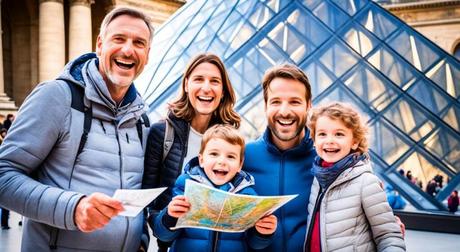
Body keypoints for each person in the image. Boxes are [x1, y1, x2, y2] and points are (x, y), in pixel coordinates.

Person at [0, 7, 153, 251]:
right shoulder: (56, 97)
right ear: (100, 44)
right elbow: (3, 176)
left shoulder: (142, 120)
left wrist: (140, 240)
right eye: (119, 38)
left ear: (148, 54)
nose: (128, 50)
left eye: (139, 43)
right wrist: (73, 208)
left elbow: (137, 197)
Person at [142, 53, 240, 251]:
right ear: (186, 85)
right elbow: (148, 200)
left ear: (222, 91)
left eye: (214, 81)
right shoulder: (162, 133)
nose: (206, 88)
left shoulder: (232, 139)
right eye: (198, 79)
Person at [153, 124, 277, 251]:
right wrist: (170, 216)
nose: (222, 161)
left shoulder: (248, 195)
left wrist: (263, 233)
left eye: (230, 156)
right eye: (214, 154)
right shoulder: (185, 185)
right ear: (201, 160)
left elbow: (256, 244)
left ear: (240, 164)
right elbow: (163, 236)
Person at [305, 102, 405, 251]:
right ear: (314, 140)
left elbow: (388, 236)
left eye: (339, 134)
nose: (329, 140)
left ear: (354, 141)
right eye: (322, 134)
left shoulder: (366, 182)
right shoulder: (318, 180)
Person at [243, 64, 316, 251]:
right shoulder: (242, 157)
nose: (284, 111)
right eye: (276, 101)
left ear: (309, 105)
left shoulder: (327, 159)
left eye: (294, 102)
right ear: (265, 105)